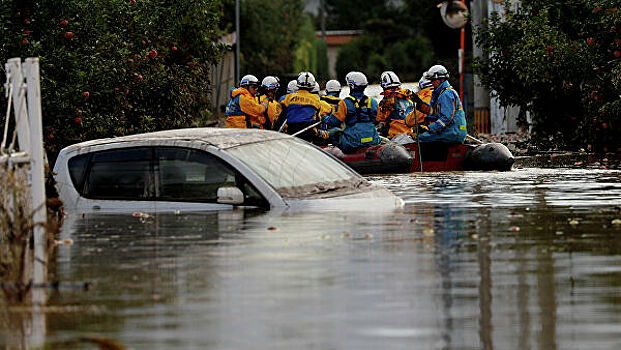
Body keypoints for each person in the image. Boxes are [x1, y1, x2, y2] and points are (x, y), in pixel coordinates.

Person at [322, 71, 380, 153]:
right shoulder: (373, 102)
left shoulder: (344, 103)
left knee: (333, 132)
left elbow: (333, 122)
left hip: (352, 143)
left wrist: (324, 118)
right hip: (373, 140)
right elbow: (377, 120)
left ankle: (338, 153)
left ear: (351, 86)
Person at [410, 65, 467, 143]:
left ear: (442, 79)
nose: (432, 83)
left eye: (433, 80)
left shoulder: (446, 94)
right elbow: (434, 112)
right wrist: (420, 103)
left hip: (452, 132)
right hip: (454, 130)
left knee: (420, 139)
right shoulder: (443, 93)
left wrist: (428, 128)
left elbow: (446, 118)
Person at [276, 72, 323, 142]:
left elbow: (280, 117)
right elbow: (318, 119)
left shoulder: (287, 98)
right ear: (313, 86)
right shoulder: (316, 99)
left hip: (291, 131)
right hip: (308, 132)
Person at [376, 71, 415, 138]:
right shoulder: (408, 98)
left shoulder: (387, 101)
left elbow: (379, 119)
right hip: (409, 135)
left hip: (394, 137)